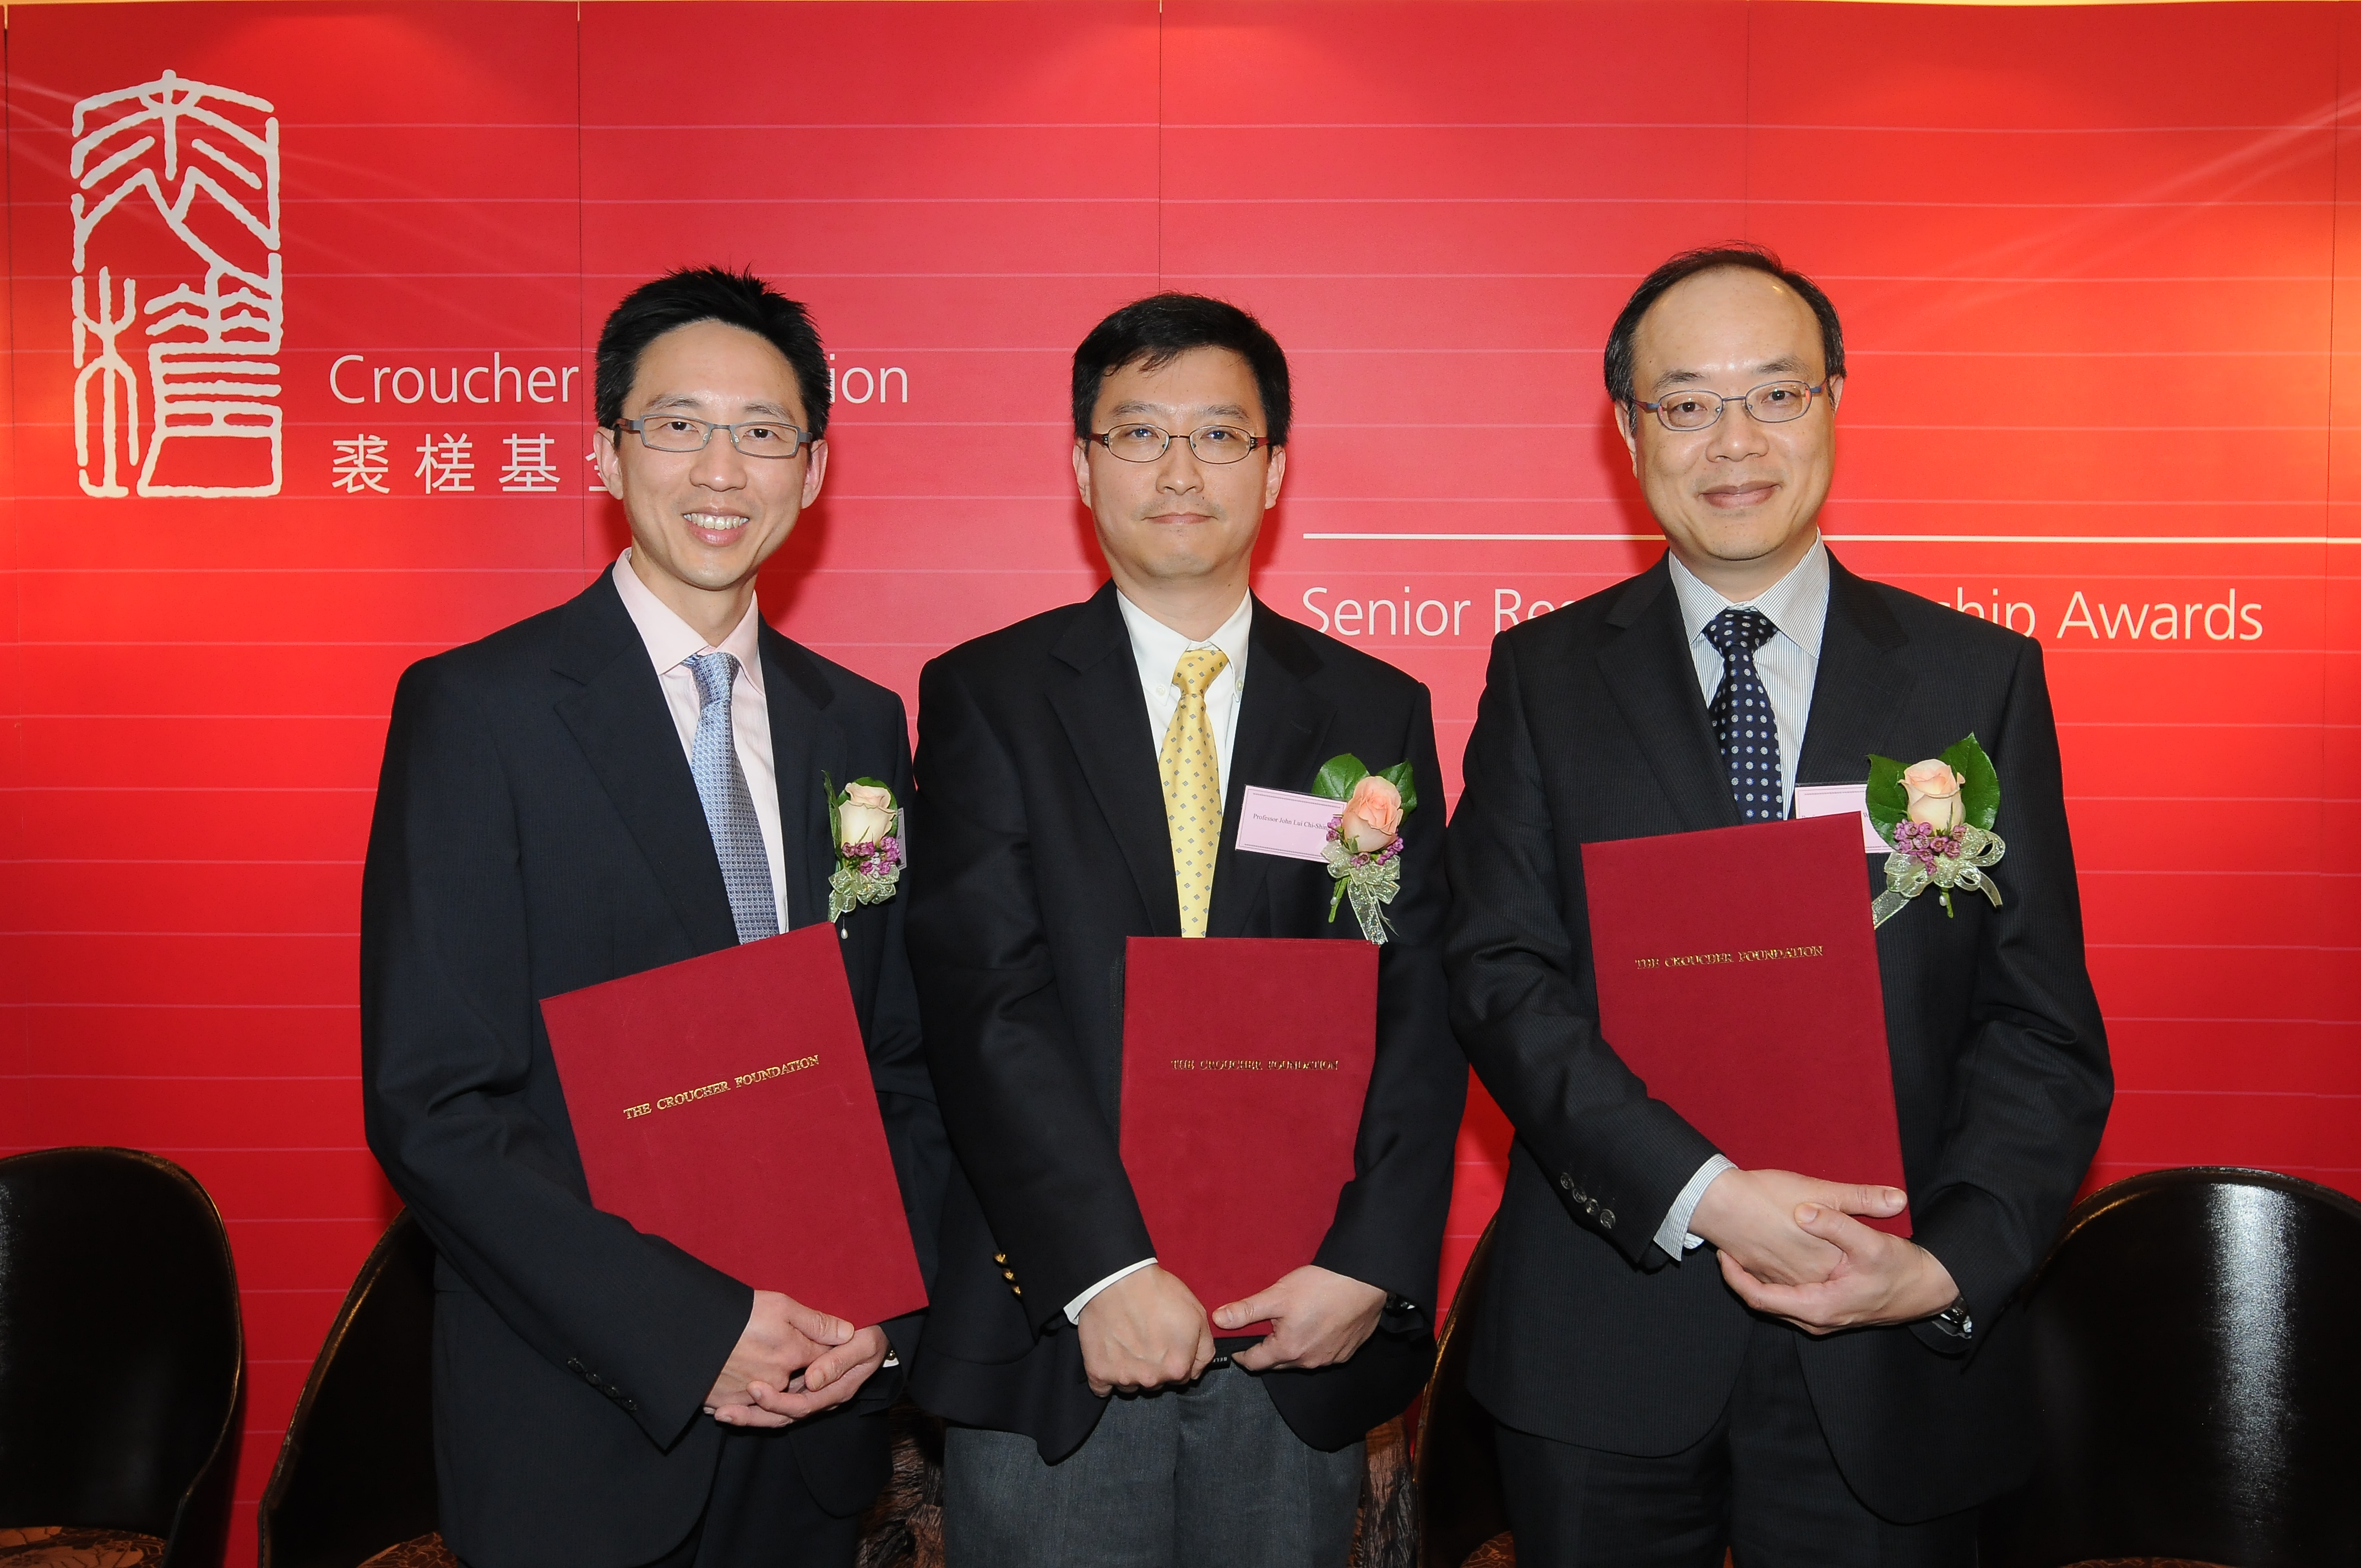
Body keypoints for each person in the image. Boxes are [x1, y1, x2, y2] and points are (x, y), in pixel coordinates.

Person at [1442, 245, 2113, 1566]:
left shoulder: (1974, 679)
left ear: (1834, 401)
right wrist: (1699, 1189)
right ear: (1626, 429)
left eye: (1775, 394)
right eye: (1684, 402)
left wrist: (1944, 1264)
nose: (1731, 440)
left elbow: (2039, 1024)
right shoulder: (1542, 676)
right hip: (1607, 1337)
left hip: (1890, 1335)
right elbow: (1501, 975)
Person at [360, 266, 947, 1568]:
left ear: (813, 468)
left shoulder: (857, 724)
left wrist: (878, 1310)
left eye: (762, 430)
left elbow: (892, 1051)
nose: (720, 468)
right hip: (582, 1417)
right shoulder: (480, 709)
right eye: (677, 424)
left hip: (816, 1407)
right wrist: (692, 1330)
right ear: (606, 452)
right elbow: (435, 1102)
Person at [904, 293, 1466, 1567]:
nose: (1177, 468)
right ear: (1080, 464)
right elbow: (983, 1002)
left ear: (1271, 468)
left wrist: (1366, 1263)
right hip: (1061, 1321)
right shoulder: (987, 694)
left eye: (1219, 435)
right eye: (1138, 431)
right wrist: (1101, 1269)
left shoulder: (1373, 708)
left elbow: (1419, 1003)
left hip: (1297, 1323)